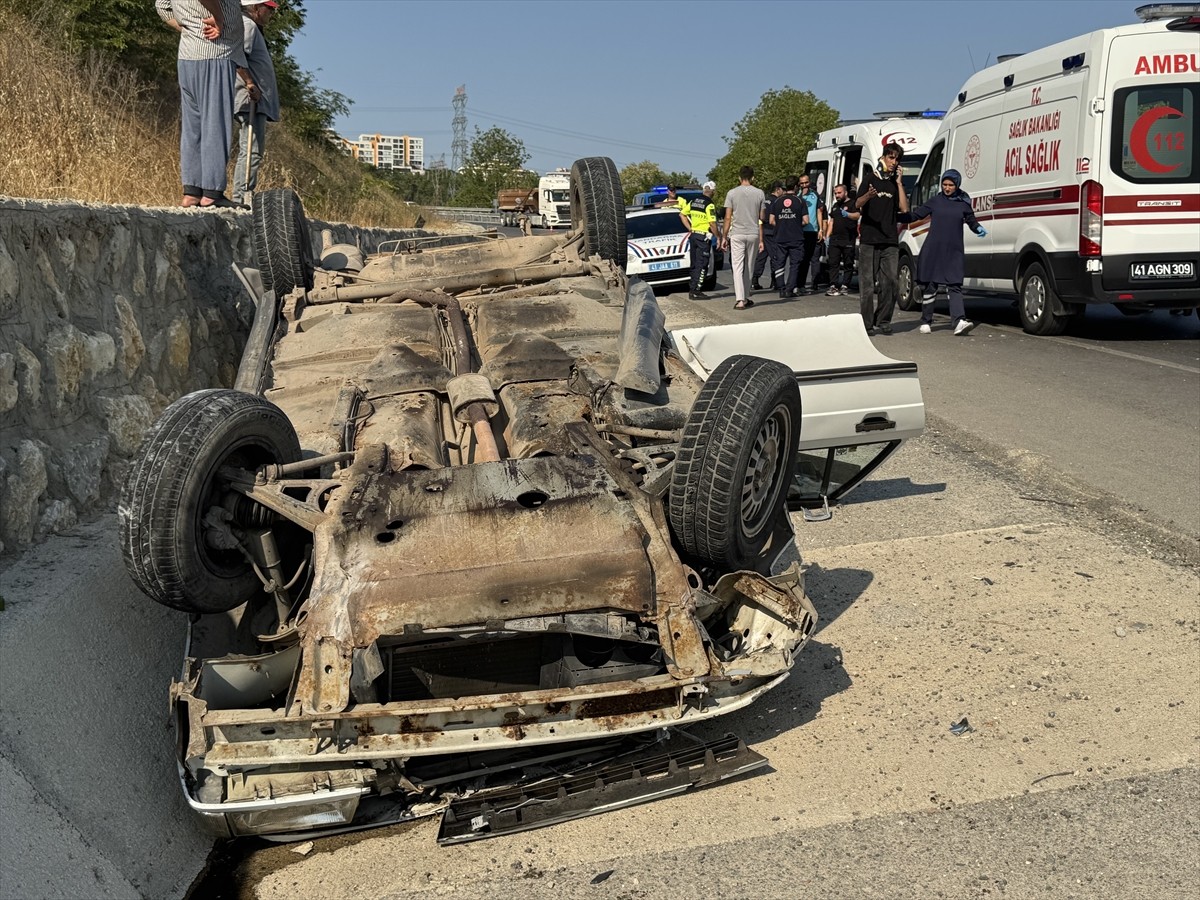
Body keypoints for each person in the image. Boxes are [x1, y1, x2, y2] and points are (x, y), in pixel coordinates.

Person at [156, 0, 248, 208]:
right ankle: (212, 193)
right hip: (215, 54)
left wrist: (190, 30)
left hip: (188, 56)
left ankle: (192, 192)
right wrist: (219, 19)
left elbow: (162, 6)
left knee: (193, 128)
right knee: (215, 124)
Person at [905, 169, 987, 335]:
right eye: (944, 184)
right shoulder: (935, 201)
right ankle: (926, 321)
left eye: (951, 185)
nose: (947, 188)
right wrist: (896, 216)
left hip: (953, 251)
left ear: (957, 185)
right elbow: (916, 215)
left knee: (955, 285)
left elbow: (971, 220)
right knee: (931, 285)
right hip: (934, 249)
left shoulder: (963, 203)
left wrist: (978, 228)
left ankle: (959, 321)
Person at [854, 142, 909, 335]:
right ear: (884, 157)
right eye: (891, 158)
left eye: (897, 159)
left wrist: (899, 183)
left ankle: (883, 320)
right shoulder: (870, 178)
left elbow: (904, 208)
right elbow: (857, 204)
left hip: (890, 240)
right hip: (869, 239)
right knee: (868, 285)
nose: (894, 162)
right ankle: (867, 324)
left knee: (891, 282)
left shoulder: (894, 183)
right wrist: (868, 196)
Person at [232, 0, 280, 207]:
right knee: (252, 149)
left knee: (252, 149)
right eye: (268, 8)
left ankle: (242, 195)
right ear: (255, 8)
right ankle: (242, 197)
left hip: (253, 99)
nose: (271, 13)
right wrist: (250, 83)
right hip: (249, 99)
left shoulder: (250, 26)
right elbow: (238, 57)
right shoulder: (248, 25)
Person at [720, 166, 765, 310]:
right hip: (753, 233)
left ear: (739, 178)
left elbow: (728, 217)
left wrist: (724, 237)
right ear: (753, 178)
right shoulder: (760, 193)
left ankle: (740, 300)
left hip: (737, 233)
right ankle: (745, 296)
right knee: (749, 266)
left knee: (737, 266)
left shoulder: (732, 193)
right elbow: (762, 216)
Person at [768, 176, 809, 300]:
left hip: (780, 237)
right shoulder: (800, 201)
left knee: (779, 263)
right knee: (794, 264)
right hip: (796, 237)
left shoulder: (777, 201)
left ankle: (781, 288)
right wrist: (795, 223)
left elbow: (771, 221)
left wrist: (782, 224)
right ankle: (789, 289)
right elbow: (806, 221)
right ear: (796, 186)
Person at [679, 181, 719, 300]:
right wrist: (719, 237)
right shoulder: (709, 205)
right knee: (702, 264)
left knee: (695, 264)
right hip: (703, 237)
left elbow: (682, 215)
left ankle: (692, 289)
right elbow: (712, 223)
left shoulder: (693, 201)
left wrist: (690, 228)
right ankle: (696, 290)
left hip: (694, 236)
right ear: (712, 191)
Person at [824, 183, 860, 296]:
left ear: (845, 192)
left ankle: (845, 285)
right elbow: (832, 221)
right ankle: (833, 285)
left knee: (848, 263)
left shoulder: (853, 203)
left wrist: (848, 214)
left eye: (839, 193)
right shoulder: (835, 206)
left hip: (848, 238)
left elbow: (857, 215)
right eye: (835, 193)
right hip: (835, 239)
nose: (837, 195)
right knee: (833, 263)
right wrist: (827, 236)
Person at [797, 174, 826, 293]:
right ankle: (800, 284)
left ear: (809, 182)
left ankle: (813, 283)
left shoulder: (815, 195)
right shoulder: (797, 196)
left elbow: (819, 212)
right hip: (800, 231)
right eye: (802, 183)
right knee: (802, 259)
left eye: (806, 182)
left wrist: (821, 229)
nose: (804, 185)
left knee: (813, 259)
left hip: (812, 231)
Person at [752, 180, 783, 291]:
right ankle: (775, 281)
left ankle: (754, 280)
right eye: (782, 189)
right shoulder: (777, 202)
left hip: (762, 230)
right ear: (778, 189)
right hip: (772, 231)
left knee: (761, 257)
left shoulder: (764, 201)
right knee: (775, 256)